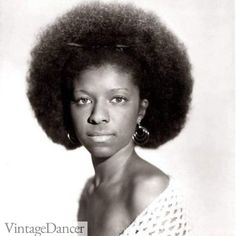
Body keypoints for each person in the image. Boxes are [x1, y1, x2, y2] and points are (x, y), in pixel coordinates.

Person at [27, 2, 193, 235]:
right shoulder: (89, 192)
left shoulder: (148, 190)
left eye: (117, 99)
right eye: (83, 100)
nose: (97, 116)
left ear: (141, 111)